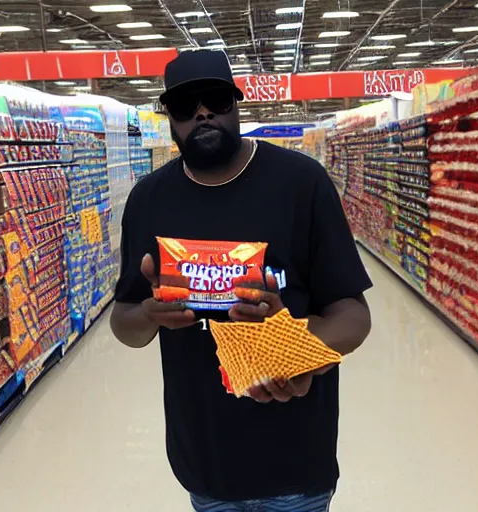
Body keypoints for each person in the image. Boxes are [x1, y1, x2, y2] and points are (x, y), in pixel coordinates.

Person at [110, 49, 372, 512]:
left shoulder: (300, 182)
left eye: (215, 98)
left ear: (236, 103)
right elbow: (125, 323)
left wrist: (299, 355)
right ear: (169, 118)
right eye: (185, 106)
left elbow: (353, 315)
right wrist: (149, 315)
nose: (202, 112)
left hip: (296, 462)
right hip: (205, 463)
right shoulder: (149, 200)